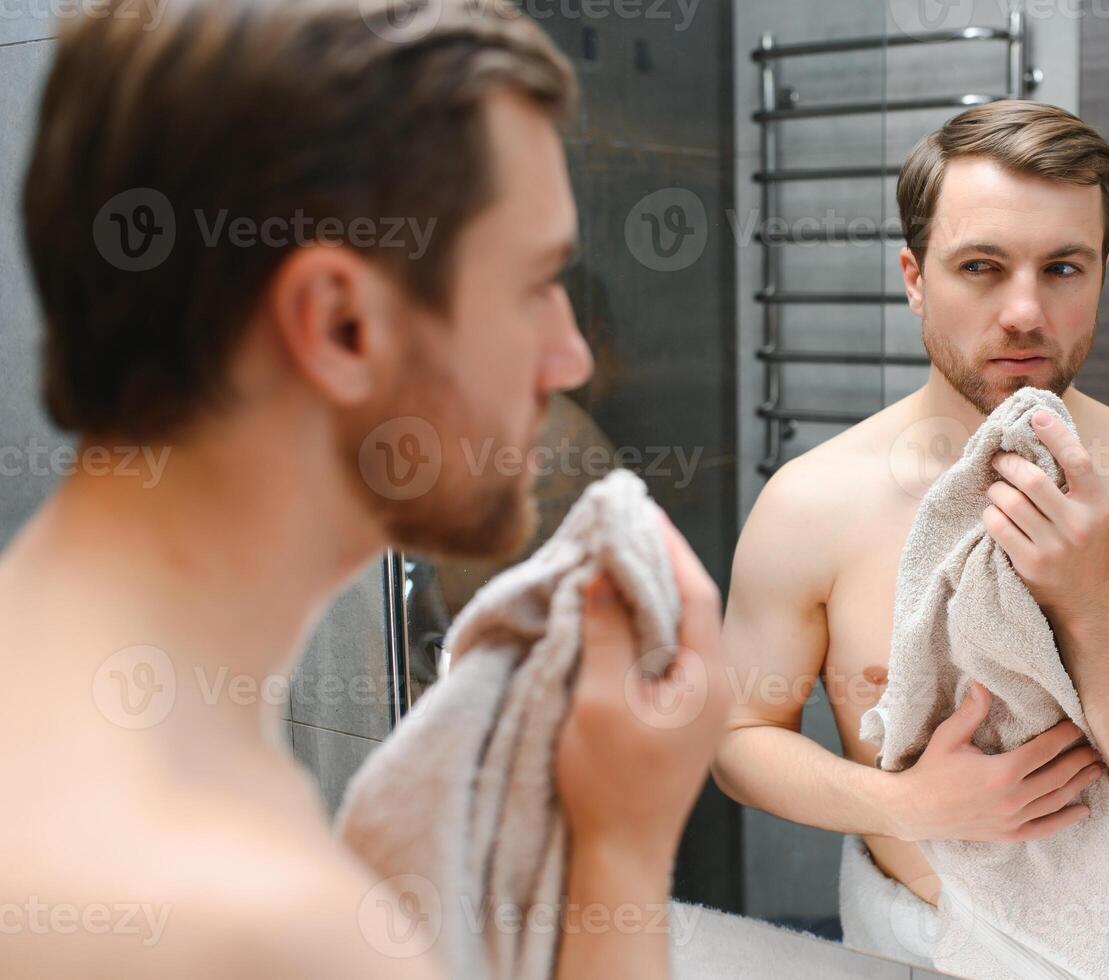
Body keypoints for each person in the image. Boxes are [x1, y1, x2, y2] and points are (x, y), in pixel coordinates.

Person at [0, 1, 728, 977]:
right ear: (342, 325)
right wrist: (623, 848)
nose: (571, 353)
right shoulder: (238, 916)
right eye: (531, 284)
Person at [714, 101, 1109, 912]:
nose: (1024, 313)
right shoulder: (810, 502)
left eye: (1063, 268)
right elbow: (736, 739)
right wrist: (906, 806)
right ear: (914, 279)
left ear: (1101, 275)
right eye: (980, 267)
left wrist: (1089, 600)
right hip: (910, 947)